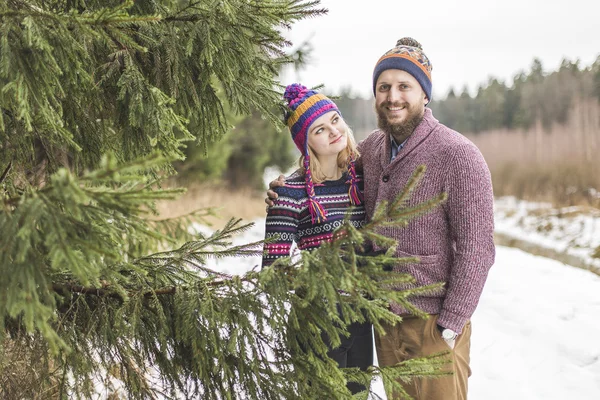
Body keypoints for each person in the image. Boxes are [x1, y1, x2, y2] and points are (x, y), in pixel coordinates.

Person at [266, 38, 496, 399]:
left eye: (405, 86)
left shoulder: (458, 155)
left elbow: (478, 248)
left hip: (432, 323)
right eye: (383, 87)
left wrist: (450, 324)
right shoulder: (372, 150)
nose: (393, 96)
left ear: (424, 94)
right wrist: (284, 188)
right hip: (382, 325)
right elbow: (327, 172)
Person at [262, 83, 373, 394]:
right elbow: (272, 273)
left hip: (361, 318)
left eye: (335, 120)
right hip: (317, 322)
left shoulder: (362, 182)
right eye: (319, 130)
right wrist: (316, 286)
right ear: (305, 142)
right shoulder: (290, 191)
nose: (333, 131)